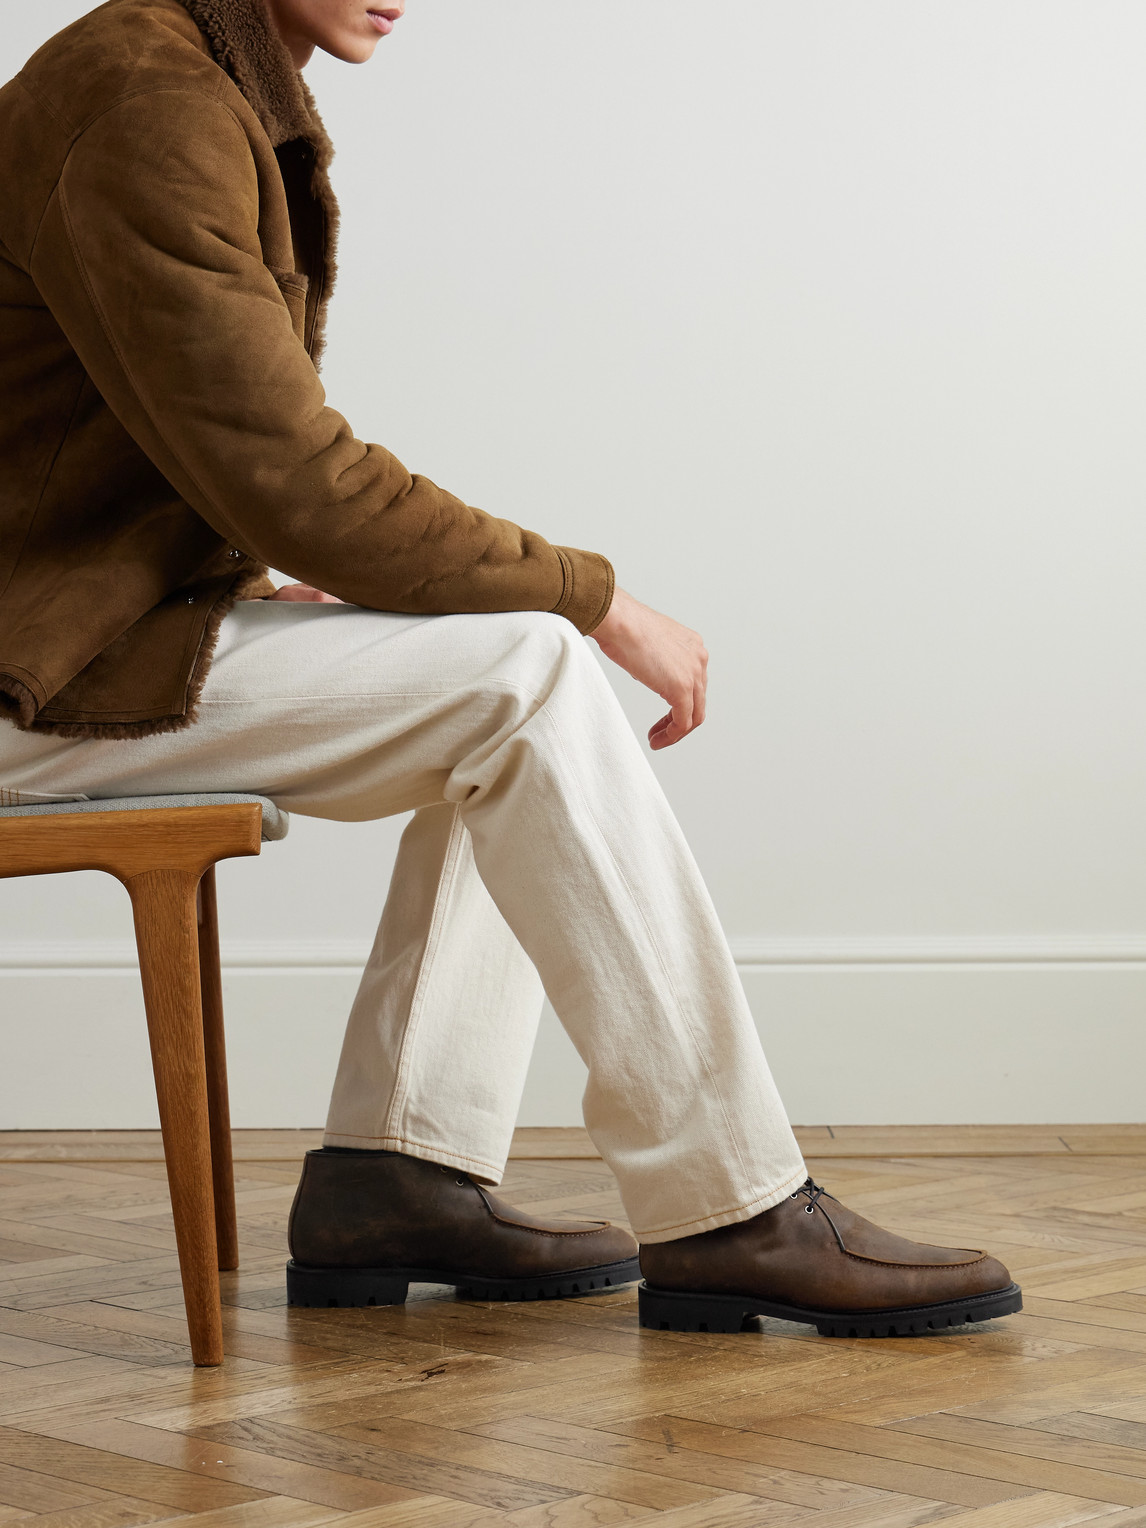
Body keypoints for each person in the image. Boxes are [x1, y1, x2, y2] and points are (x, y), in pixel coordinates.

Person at [0, 0, 1021, 1339]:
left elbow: (126, 435)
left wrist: (252, 574)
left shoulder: (178, 74)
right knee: (529, 670)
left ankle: (400, 1174)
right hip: (27, 681)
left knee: (495, 673)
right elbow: (294, 479)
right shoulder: (149, 98)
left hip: (73, 639)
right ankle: (730, 1206)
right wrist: (598, 598)